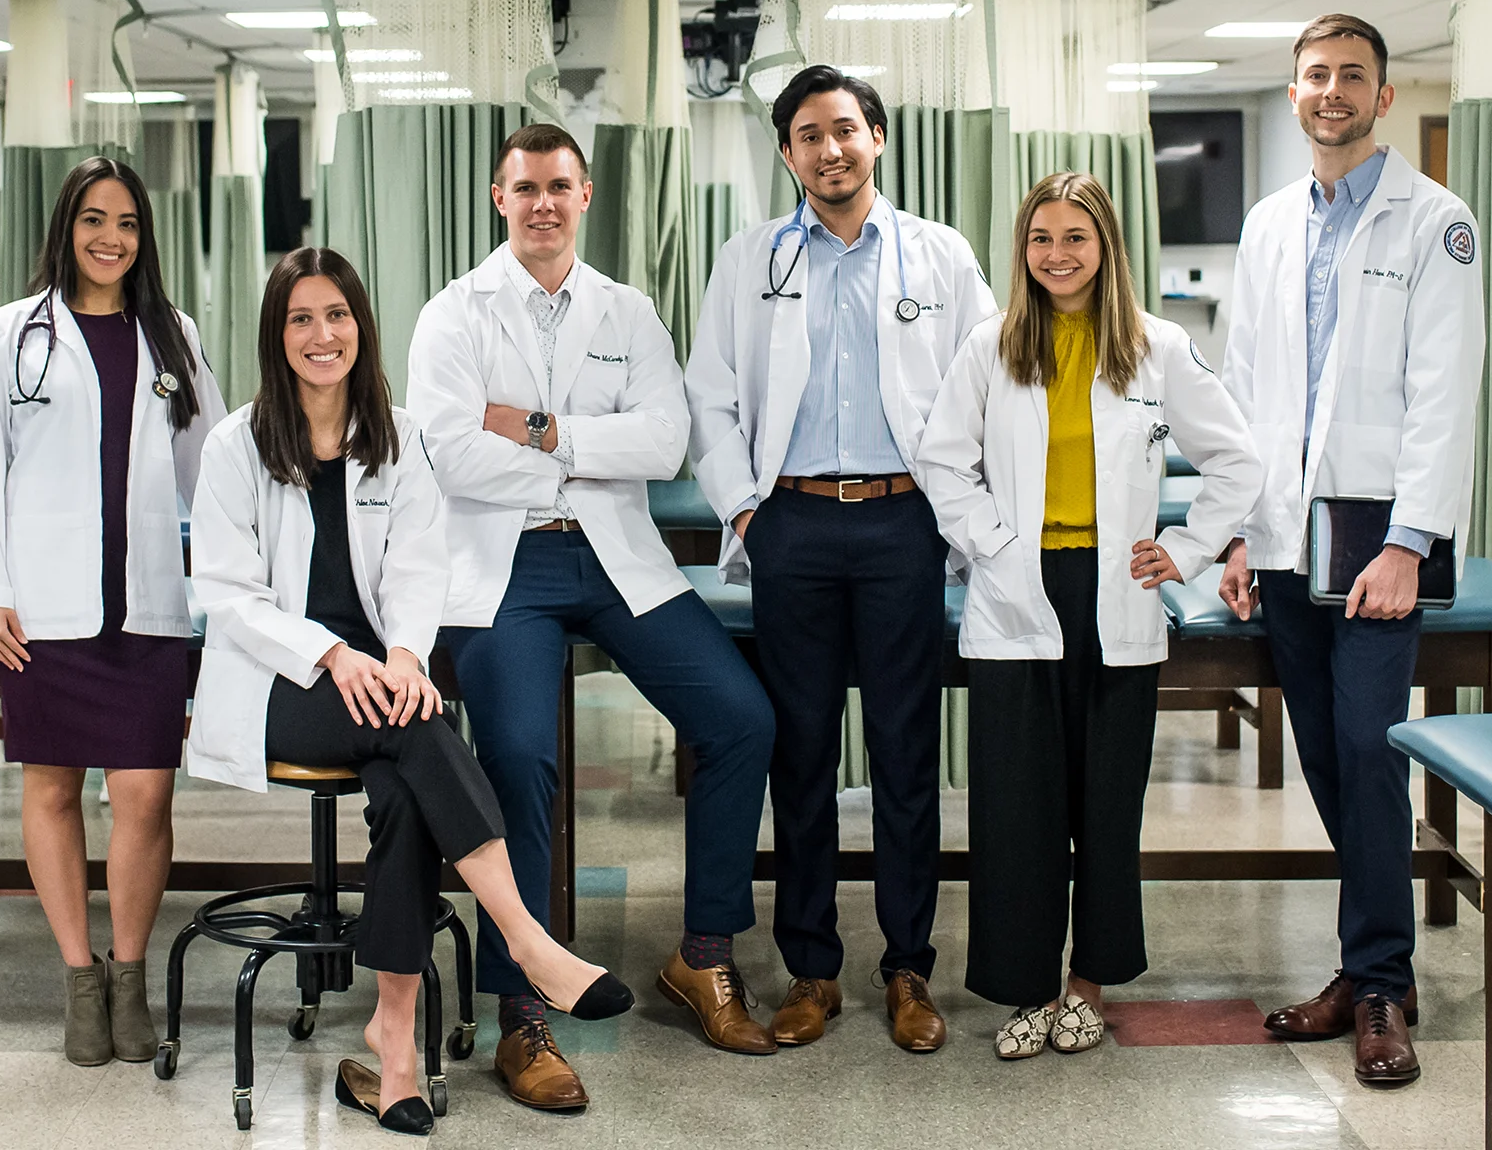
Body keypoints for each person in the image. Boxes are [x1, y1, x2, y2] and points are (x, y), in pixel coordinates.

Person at [186, 247, 632, 1136]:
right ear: (278, 335)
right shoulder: (238, 442)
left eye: (338, 315)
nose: (323, 335)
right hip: (280, 684)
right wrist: (335, 657)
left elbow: (421, 566)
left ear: (362, 326)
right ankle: (529, 942)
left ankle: (395, 1051)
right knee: (417, 738)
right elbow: (227, 595)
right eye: (302, 318)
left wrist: (402, 655)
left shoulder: (392, 435)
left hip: (380, 680)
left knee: (405, 782)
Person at [406, 124, 778, 1108]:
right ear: (498, 198)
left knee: (740, 721)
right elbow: (448, 454)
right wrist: (585, 447)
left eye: (557, 187)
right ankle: (523, 1015)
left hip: (616, 558)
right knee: (518, 757)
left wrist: (533, 429)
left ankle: (702, 954)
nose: (541, 203)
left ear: (584, 195)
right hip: (501, 567)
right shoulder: (452, 317)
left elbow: (663, 445)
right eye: (523, 187)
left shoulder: (626, 309)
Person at [686, 64, 996, 1052]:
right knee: (801, 753)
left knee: (907, 753)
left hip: (904, 525)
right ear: (787, 154)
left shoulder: (939, 257)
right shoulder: (748, 259)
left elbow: (981, 386)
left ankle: (909, 968)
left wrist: (959, 517)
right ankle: (810, 969)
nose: (829, 149)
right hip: (793, 527)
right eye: (808, 134)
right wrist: (742, 512)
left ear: (877, 140)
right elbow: (710, 395)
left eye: (845, 130)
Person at [915, 172, 1259, 1060]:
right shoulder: (991, 346)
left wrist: (1184, 551)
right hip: (1015, 595)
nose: (1057, 255)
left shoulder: (1159, 348)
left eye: (1075, 237)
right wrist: (993, 543)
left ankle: (1086, 984)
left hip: (1119, 598)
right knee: (1016, 808)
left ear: (1106, 246)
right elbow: (941, 461)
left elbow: (1237, 462)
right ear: (1022, 249)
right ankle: (1025, 989)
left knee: (1105, 808)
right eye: (1041, 238)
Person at [1217, 13, 1485, 1088]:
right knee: (1325, 755)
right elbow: (1240, 388)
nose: (1330, 90)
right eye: (1313, 75)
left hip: (1377, 532)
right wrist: (1234, 525)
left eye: (1351, 76)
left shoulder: (1436, 222)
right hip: (1283, 529)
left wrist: (1410, 540)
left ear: (1382, 97)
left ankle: (1376, 982)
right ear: (1292, 94)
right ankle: (1373, 961)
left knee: (1369, 751)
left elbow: (1443, 392)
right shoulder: (1271, 221)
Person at [0, 156, 227, 1067]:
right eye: (94, 220)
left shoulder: (173, 336)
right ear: (65, 228)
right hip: (44, 606)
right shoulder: (9, 335)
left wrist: (242, 579)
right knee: (53, 787)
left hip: (147, 603)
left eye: (128, 224)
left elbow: (216, 471)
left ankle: (131, 971)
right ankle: (80, 979)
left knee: (145, 794)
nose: (111, 238)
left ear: (145, 237)